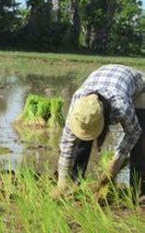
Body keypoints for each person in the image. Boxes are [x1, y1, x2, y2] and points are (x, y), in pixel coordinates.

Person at [53, 64, 145, 198]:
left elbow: (134, 132)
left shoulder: (121, 107)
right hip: (104, 79)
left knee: (140, 143)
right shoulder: (79, 103)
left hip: (140, 89)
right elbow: (68, 144)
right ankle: (72, 184)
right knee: (81, 140)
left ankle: (139, 192)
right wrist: (62, 182)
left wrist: (115, 164)